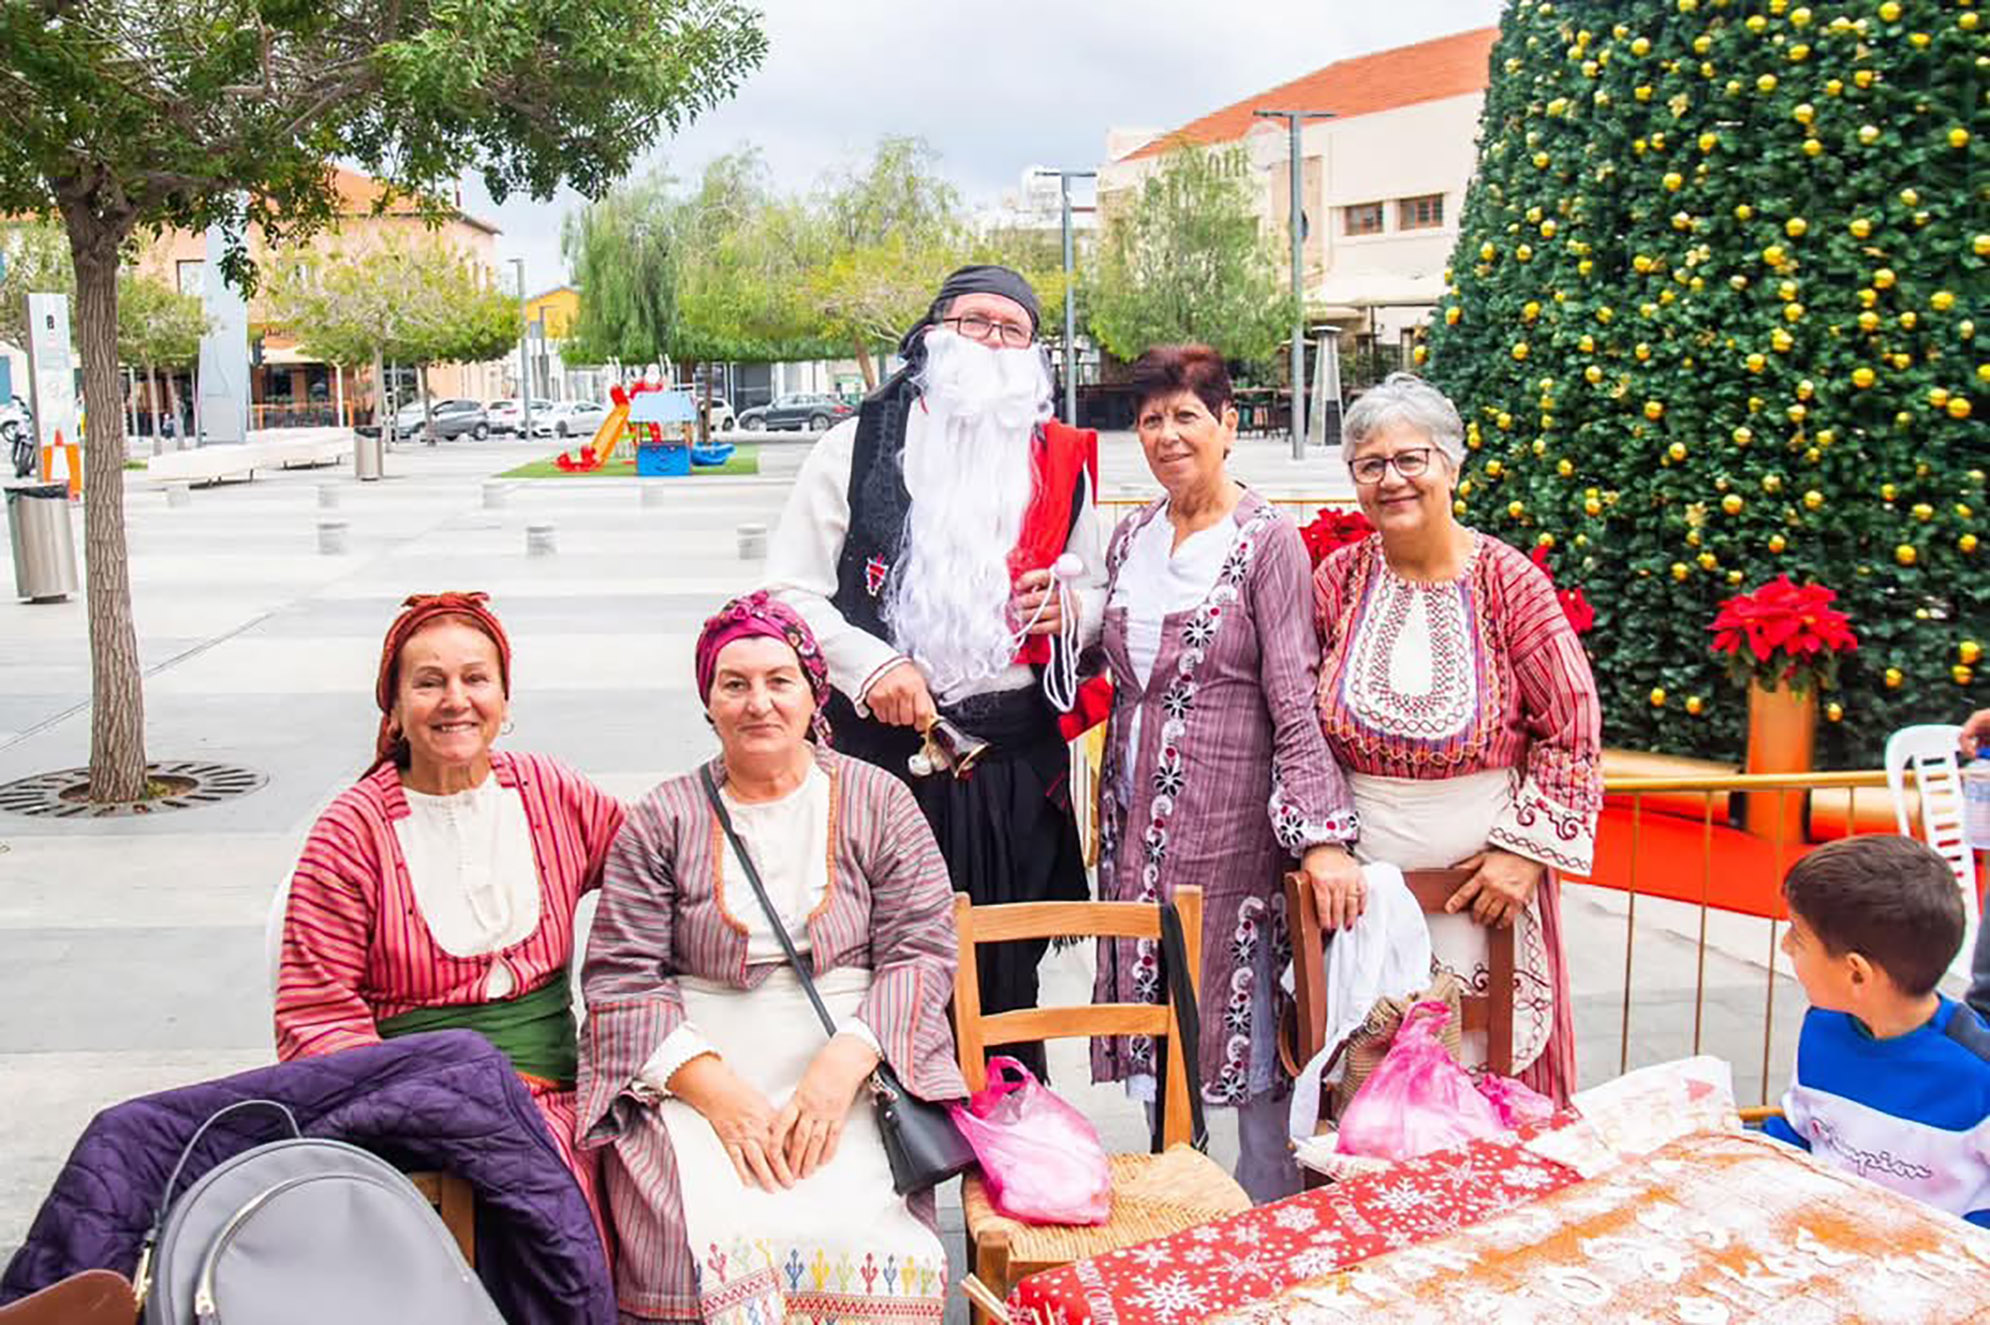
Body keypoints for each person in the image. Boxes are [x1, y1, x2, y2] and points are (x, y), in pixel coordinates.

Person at [577, 592, 965, 1325]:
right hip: (699, 1065)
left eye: (779, 680)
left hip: (851, 1058)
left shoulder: (879, 800)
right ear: (708, 701)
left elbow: (922, 945)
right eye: (735, 683)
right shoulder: (663, 817)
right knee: (705, 1226)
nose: (759, 703)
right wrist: (715, 1091)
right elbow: (621, 973)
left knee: (851, 1226)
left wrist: (842, 1065)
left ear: (815, 692)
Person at [764, 264, 1102, 1076]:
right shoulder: (852, 445)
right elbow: (785, 591)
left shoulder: (1063, 458)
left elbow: (1093, 587)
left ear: (1033, 353)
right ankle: (894, 1173)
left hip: (1013, 771)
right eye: (974, 322)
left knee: (1006, 990)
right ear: (932, 334)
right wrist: (872, 665)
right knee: (877, 980)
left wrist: (1073, 612)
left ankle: (1011, 1174)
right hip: (881, 770)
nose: (991, 341)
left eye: (1011, 329)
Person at [1087, 345, 1357, 1203]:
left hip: (1232, 832)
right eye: (1152, 419)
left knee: (1247, 1054)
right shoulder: (1132, 534)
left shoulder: (1267, 538)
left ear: (1229, 425)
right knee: (1158, 1037)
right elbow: (1110, 661)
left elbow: (1293, 687)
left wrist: (1322, 837)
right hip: (1135, 832)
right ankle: (1171, 1219)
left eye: (1187, 416)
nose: (1168, 435)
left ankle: (1266, 1238)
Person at [275, 591, 626, 1234]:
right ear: (396, 708)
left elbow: (652, 871)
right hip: (409, 1106)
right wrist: (419, 1109)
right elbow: (315, 1011)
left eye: (475, 679)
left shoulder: (551, 790)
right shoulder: (351, 832)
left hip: (560, 1100)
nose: (455, 700)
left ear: (504, 699)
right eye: (429, 682)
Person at [1312, 373, 1602, 1105]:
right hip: (1364, 896)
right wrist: (1320, 844)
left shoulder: (1511, 584)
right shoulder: (1336, 582)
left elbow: (1573, 728)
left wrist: (1525, 853)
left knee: (1490, 1077)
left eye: (1412, 459)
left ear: (1452, 464)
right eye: (1370, 465)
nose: (1392, 480)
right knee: (1368, 1083)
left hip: (1489, 897)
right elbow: (1293, 724)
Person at [1762, 835, 1989, 1227]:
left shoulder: (1978, 1075)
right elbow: (1799, 1129)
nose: (1785, 946)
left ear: (1856, 972)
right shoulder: (1822, 1028)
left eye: (1797, 936)